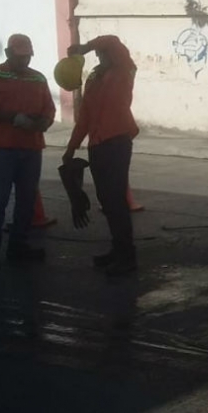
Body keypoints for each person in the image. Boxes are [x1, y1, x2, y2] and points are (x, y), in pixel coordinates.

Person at [0, 34, 55, 271]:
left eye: (27, 57)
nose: (24, 61)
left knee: (26, 201)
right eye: (19, 57)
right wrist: (13, 118)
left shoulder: (38, 78)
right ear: (8, 53)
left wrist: (43, 122)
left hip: (30, 148)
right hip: (1, 148)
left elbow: (48, 108)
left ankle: (18, 246)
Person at [63, 35, 140, 277]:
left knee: (116, 201)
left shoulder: (124, 69)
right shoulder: (94, 78)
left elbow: (112, 40)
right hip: (97, 144)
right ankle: (118, 250)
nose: (100, 56)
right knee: (107, 200)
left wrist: (84, 47)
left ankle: (127, 256)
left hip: (117, 142)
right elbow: (85, 116)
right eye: (98, 54)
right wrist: (72, 146)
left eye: (102, 52)